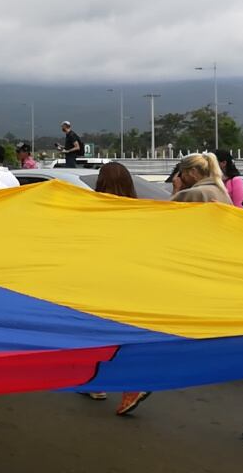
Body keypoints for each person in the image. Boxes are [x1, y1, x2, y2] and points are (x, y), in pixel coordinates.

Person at [88, 162, 150, 415]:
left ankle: (106, 383)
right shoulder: (139, 211)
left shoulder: (94, 210)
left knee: (98, 332)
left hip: (101, 281)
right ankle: (119, 384)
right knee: (125, 335)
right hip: (132, 281)